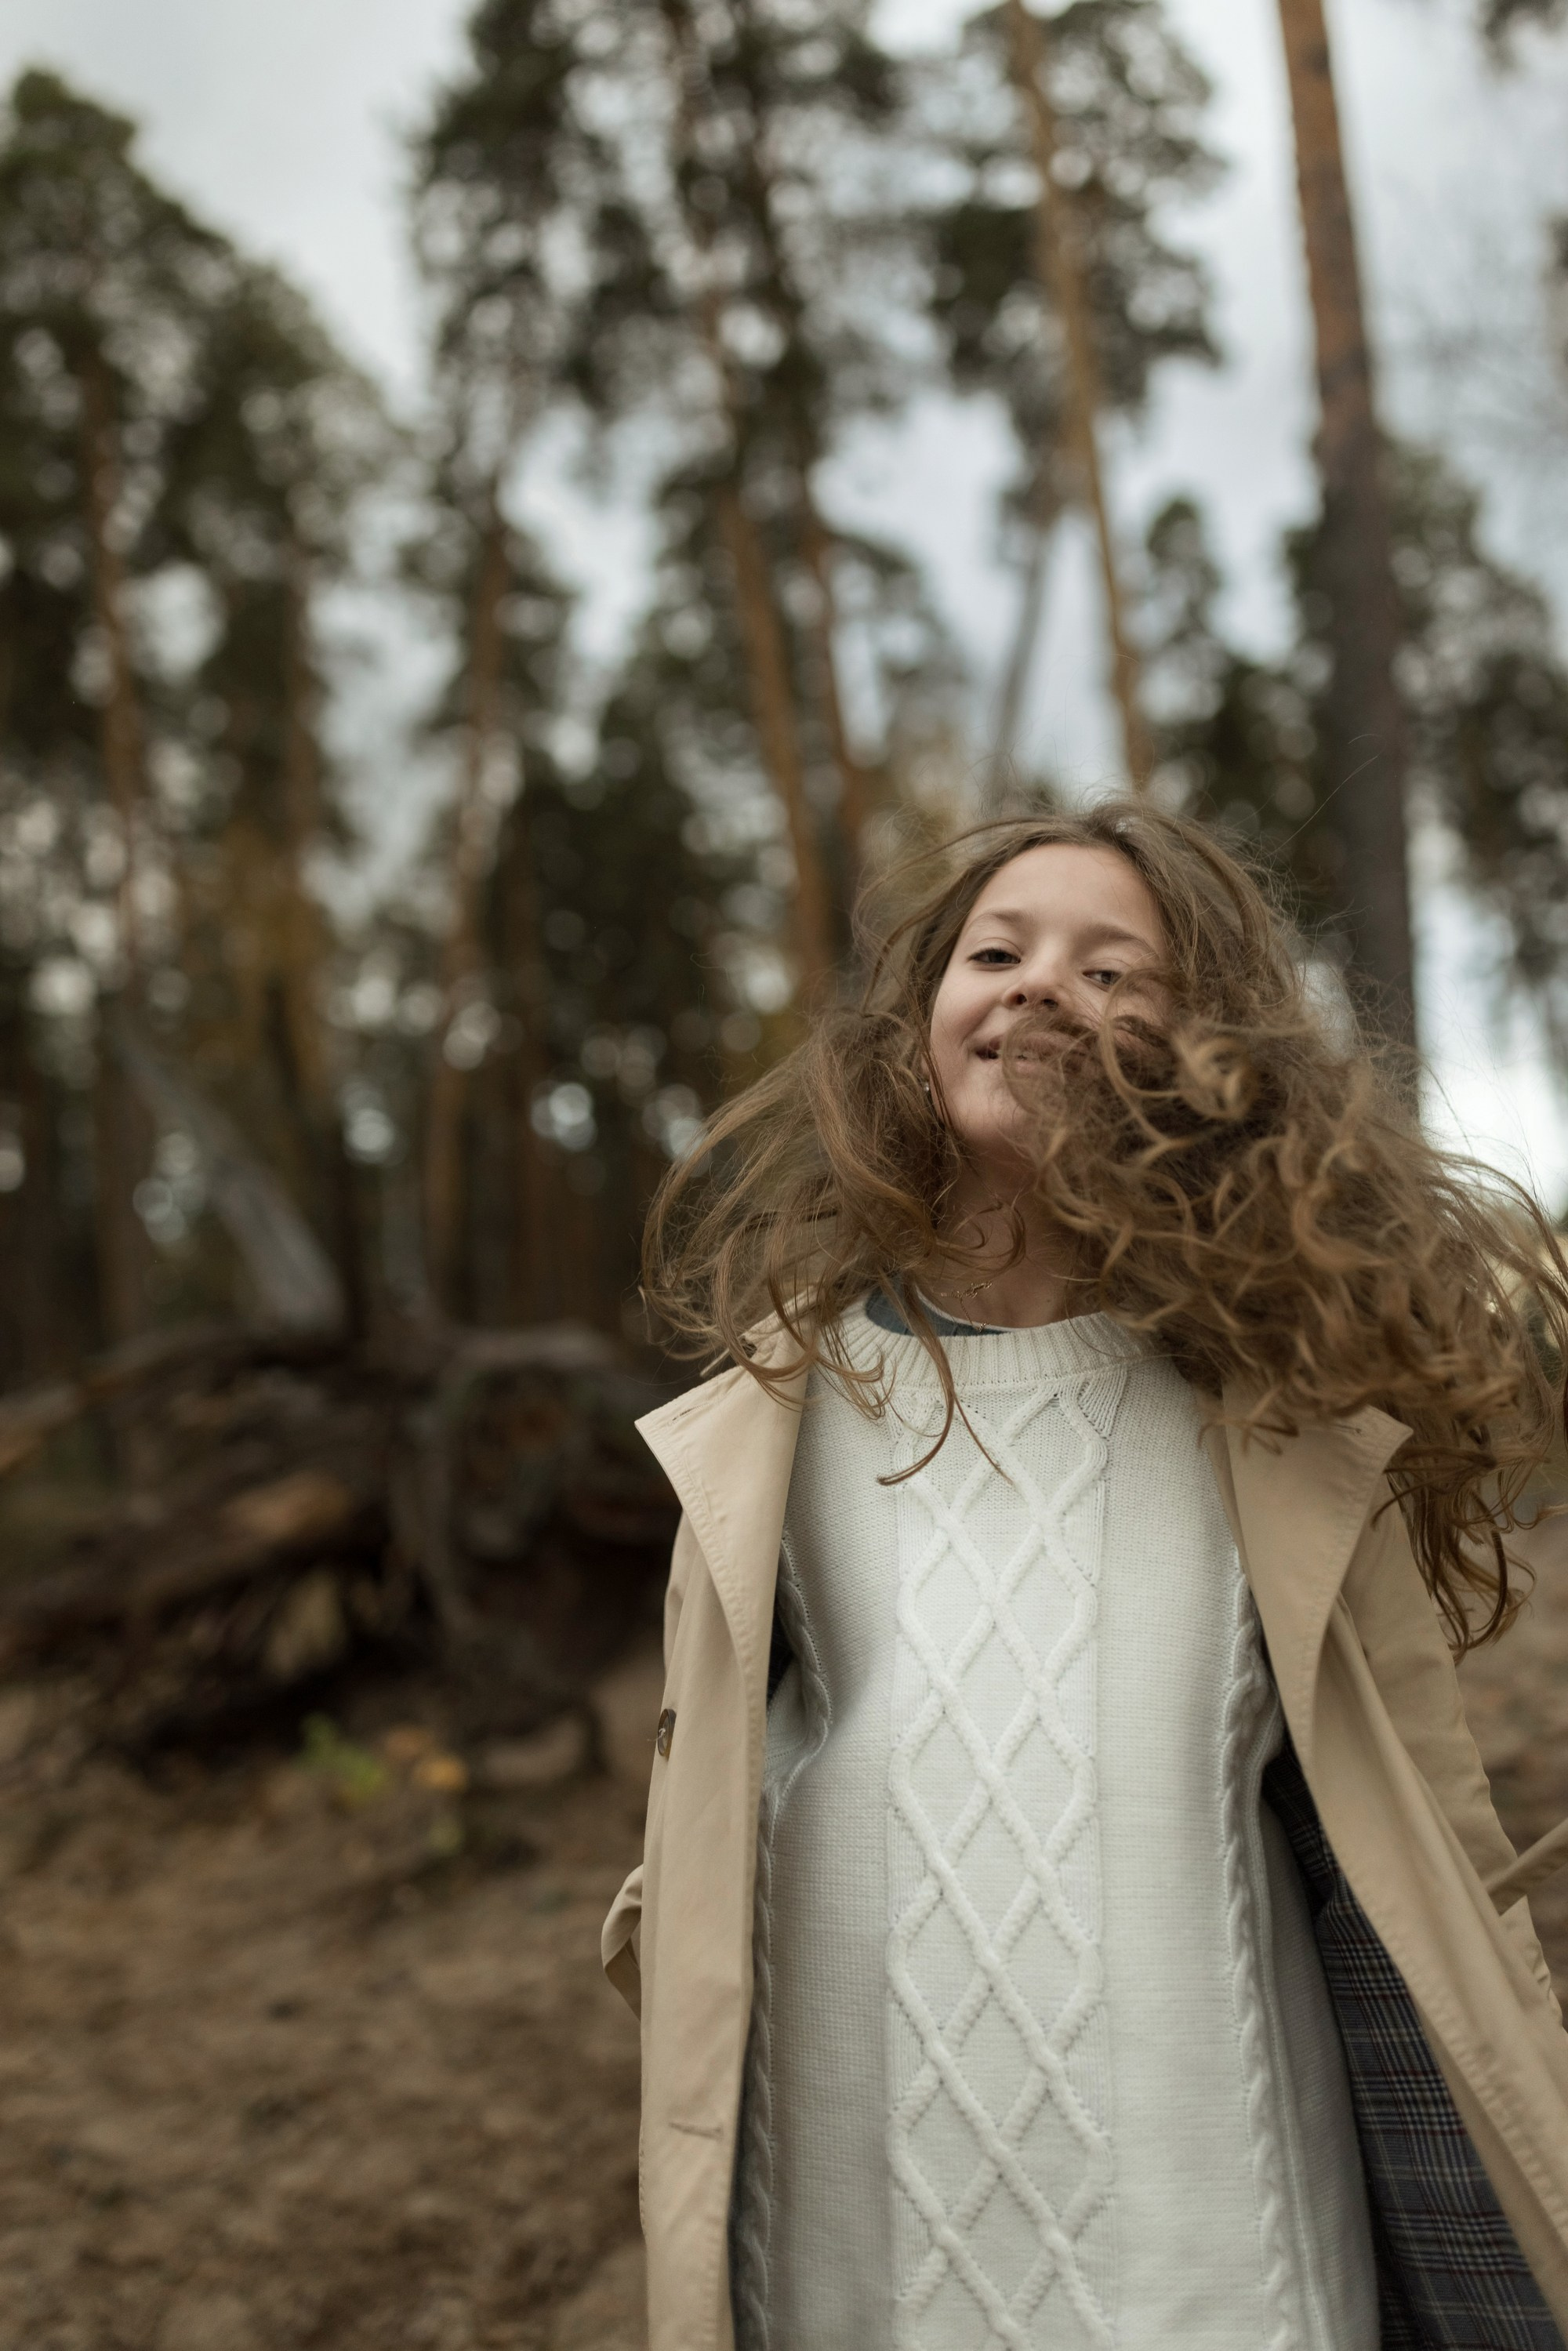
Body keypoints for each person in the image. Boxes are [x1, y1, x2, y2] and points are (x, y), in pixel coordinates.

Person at [601, 804, 1568, 2351]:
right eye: (999, 952)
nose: (1044, 988)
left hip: (1216, 2241)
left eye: (1117, 974)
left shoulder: (1281, 1412)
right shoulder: (777, 1421)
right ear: (921, 1025)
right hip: (843, 2221)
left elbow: (1414, 1854)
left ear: (1210, 1056)